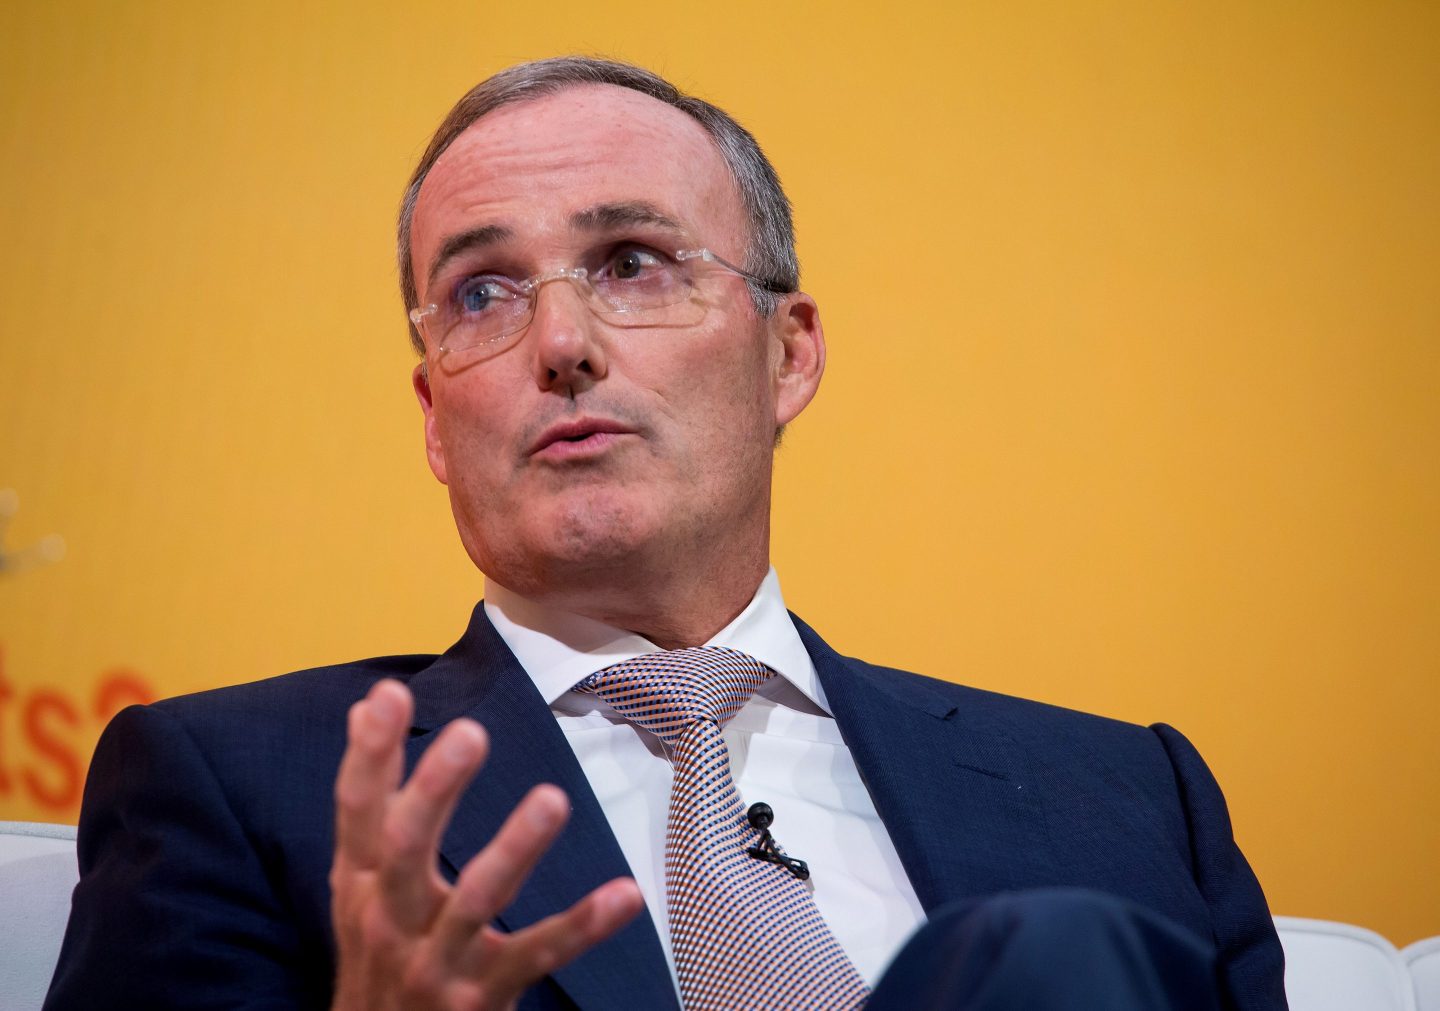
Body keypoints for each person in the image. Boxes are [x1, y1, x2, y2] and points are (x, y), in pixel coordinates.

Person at [45, 57, 1287, 1010]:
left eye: (633, 261)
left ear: (787, 354)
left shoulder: (1126, 798)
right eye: (483, 293)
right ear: (435, 418)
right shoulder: (241, 787)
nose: (563, 343)